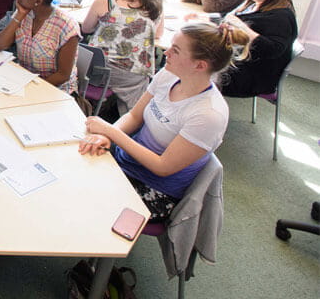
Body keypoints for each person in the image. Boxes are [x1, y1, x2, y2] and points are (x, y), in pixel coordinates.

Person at [79, 23, 248, 221]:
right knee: (75, 166)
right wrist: (105, 137)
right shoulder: (169, 74)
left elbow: (162, 166)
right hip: (127, 160)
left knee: (84, 195)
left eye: (175, 51)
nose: (166, 52)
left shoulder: (209, 114)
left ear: (200, 65)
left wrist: (112, 133)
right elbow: (134, 116)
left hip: (155, 188)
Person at [194, 0, 298, 97]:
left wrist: (242, 27)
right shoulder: (254, 5)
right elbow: (229, 17)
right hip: (236, 60)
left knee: (190, 62)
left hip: (249, 76)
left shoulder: (281, 16)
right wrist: (204, 17)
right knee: (189, 52)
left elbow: (272, 49)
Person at [81, 0, 164, 114]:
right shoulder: (155, 4)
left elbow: (86, 29)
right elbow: (158, 34)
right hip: (134, 76)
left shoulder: (106, 1)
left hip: (101, 70)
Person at [0, 0, 80, 95]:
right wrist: (19, 15)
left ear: (38, 0)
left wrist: (32, 89)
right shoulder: (26, 14)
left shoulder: (66, 26)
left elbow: (63, 75)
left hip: (54, 89)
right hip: (23, 82)